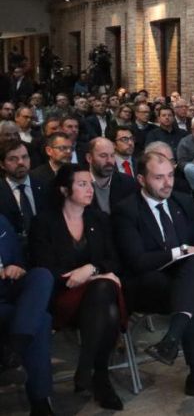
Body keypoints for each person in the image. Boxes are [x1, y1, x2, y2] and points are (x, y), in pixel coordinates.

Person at [112, 151, 194, 400]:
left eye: (170, 175)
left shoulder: (183, 202)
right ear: (141, 180)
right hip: (146, 286)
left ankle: (173, 339)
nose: (167, 183)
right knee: (193, 290)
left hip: (183, 282)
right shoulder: (126, 210)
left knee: (193, 274)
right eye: (158, 177)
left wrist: (187, 256)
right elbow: (137, 262)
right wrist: (179, 251)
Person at [29, 164, 125, 410]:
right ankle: (98, 377)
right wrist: (91, 276)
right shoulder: (44, 222)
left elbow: (114, 260)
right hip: (62, 295)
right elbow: (44, 269)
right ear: (64, 190)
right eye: (82, 184)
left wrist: (92, 269)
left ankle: (89, 370)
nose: (90, 189)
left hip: (96, 297)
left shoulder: (98, 219)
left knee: (106, 300)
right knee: (107, 300)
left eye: (90, 184)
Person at [0, 215, 55, 415]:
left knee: (42, 275)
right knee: (41, 320)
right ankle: (40, 404)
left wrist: (16, 268)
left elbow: (19, 260)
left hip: (9, 290)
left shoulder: (1, 222)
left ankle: (13, 352)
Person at [0, 138, 48, 242]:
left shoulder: (45, 184)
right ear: (2, 164)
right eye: (13, 159)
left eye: (24, 157)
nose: (21, 162)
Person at [87, 137, 139, 215]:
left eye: (112, 155)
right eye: (103, 156)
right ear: (89, 158)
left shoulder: (127, 183)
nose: (109, 161)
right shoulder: (79, 183)